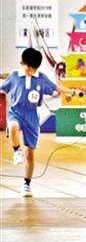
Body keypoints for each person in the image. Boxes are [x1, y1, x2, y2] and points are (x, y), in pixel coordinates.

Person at [1, 48, 80, 196]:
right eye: (28, 68)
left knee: (30, 154)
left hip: (32, 116)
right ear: (21, 63)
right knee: (12, 127)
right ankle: (16, 151)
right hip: (16, 112)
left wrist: (72, 92)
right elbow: (3, 88)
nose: (31, 71)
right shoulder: (14, 76)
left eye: (34, 69)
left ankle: (26, 184)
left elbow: (56, 87)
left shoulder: (41, 78)